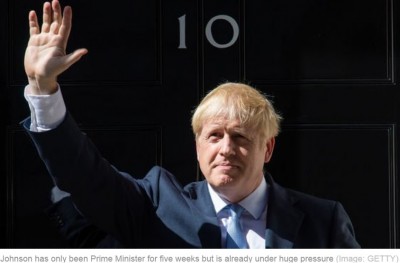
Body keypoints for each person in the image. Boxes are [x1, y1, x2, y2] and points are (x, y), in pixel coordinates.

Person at [22, 0, 360, 248]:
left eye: (240, 136)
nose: (226, 148)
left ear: (267, 148)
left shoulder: (323, 221)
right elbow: (84, 177)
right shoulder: (155, 205)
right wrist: (43, 89)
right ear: (198, 146)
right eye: (214, 136)